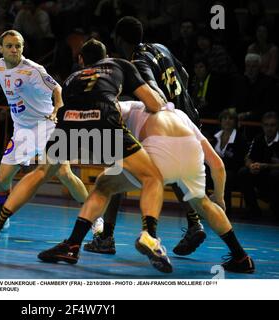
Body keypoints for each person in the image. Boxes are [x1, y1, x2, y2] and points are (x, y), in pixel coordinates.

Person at [37, 39, 169, 272]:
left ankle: (147, 235)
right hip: (177, 149)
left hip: (144, 146)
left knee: (136, 180)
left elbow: (147, 105)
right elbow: (156, 103)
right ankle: (86, 242)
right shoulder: (134, 86)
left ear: (82, 61)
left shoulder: (112, 99)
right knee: (107, 184)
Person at [89, 100, 255, 273]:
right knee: (204, 203)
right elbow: (217, 164)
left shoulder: (130, 108)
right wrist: (219, 198)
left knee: (105, 183)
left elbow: (109, 111)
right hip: (189, 153)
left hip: (158, 151)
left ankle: (83, 242)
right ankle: (241, 257)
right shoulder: (180, 115)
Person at [86, 16, 204, 257]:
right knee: (173, 175)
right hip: (188, 116)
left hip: (166, 123)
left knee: (118, 165)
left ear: (118, 39)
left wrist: (127, 106)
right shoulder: (160, 49)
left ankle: (107, 237)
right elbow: (185, 75)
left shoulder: (137, 62)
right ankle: (194, 224)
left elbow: (156, 98)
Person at [0, 30, 93, 244]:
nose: (14, 49)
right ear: (1, 49)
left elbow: (57, 88)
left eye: (18, 46)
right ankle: (3, 220)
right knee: (2, 180)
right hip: (22, 131)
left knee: (64, 173)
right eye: (10, 46)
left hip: (46, 125)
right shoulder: (0, 66)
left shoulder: (33, 70)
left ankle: (95, 221)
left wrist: (58, 108)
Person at [238, 112, 279, 218]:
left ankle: (275, 210)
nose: (269, 128)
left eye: (272, 125)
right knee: (243, 172)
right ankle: (253, 209)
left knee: (275, 175)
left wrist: (267, 166)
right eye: (266, 125)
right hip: (260, 172)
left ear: (277, 126)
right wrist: (251, 165)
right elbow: (247, 157)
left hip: (273, 175)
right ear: (262, 126)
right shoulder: (258, 139)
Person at [211, 109, 248, 215]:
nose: (227, 121)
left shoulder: (240, 139)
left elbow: (238, 161)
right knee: (201, 174)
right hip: (215, 171)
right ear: (221, 121)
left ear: (235, 122)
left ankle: (225, 210)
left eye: (231, 118)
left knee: (226, 176)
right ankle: (204, 208)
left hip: (232, 172)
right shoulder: (215, 137)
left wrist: (219, 166)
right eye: (224, 118)